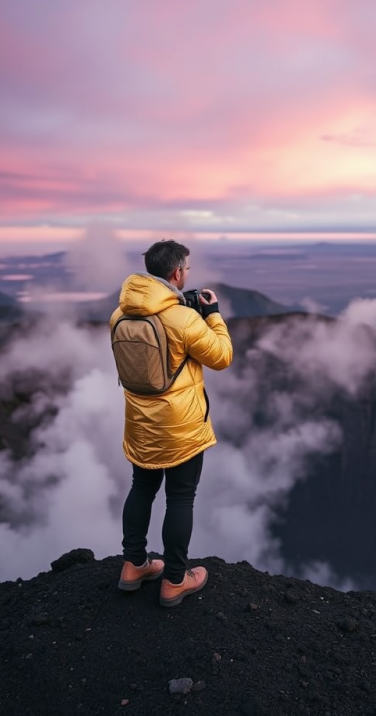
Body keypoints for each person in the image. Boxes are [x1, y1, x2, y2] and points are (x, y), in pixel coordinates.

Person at [110, 239, 233, 606]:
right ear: (177, 272)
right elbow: (222, 356)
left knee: (141, 488)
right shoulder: (182, 318)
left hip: (139, 422)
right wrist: (212, 315)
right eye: (186, 270)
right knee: (180, 497)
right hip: (180, 427)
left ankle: (134, 565)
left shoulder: (119, 315)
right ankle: (175, 581)